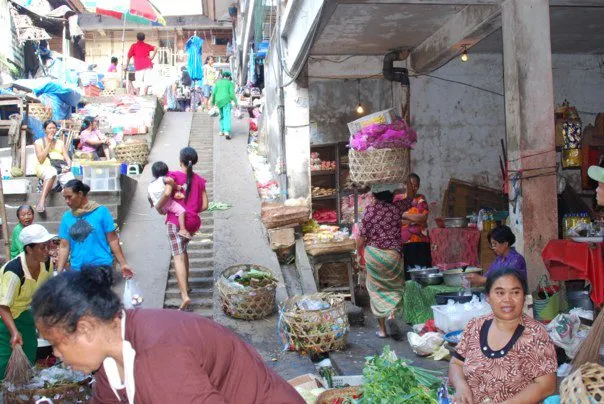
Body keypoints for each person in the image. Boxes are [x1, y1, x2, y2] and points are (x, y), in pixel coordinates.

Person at [31, 266, 305, 403]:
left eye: (56, 343)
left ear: (86, 329)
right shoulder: (110, 363)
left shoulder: (159, 357)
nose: (55, 354)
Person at [449, 268, 557, 403]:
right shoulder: (475, 326)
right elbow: (456, 363)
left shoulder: (535, 334)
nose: (507, 299)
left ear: (524, 297)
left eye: (515, 292)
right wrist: (461, 386)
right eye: (500, 293)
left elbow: (546, 385)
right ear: (488, 297)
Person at [356, 183, 412, 340]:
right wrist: (408, 181)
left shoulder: (370, 211)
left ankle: (382, 330)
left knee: (376, 290)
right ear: (391, 195)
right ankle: (392, 315)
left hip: (374, 255)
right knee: (395, 287)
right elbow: (411, 198)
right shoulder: (397, 209)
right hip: (393, 255)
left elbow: (361, 236)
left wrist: (358, 254)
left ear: (374, 196)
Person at [155, 148, 208, 311]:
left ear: (180, 161)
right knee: (183, 251)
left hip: (175, 222)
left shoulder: (173, 176)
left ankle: (184, 295)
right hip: (193, 222)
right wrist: (192, 209)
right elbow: (205, 205)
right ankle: (187, 285)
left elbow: (167, 192)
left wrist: (158, 206)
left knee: (177, 257)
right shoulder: (200, 180)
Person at [0, 224, 54, 377]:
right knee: (3, 360)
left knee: (30, 353)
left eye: (47, 246)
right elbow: (3, 306)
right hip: (5, 318)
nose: (47, 250)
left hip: (25, 313)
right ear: (29, 249)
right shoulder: (14, 271)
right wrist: (14, 332)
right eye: (42, 247)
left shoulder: (47, 263)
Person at [56, 180, 134, 278]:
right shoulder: (66, 217)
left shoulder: (101, 212)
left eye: (69, 197)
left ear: (80, 194)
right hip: (77, 270)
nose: (67, 201)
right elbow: (64, 246)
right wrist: (59, 272)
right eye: (65, 198)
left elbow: (113, 239)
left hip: (101, 268)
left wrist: (123, 264)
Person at [395, 173, 431, 279]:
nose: (414, 188)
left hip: (420, 242)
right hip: (403, 243)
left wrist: (404, 215)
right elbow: (395, 220)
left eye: (416, 186)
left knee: (423, 273)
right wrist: (415, 220)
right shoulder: (398, 199)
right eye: (411, 185)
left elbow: (423, 218)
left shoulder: (421, 199)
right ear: (405, 185)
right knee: (406, 275)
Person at [34, 120, 74, 213]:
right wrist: (49, 143)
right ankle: (42, 201)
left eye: (54, 128)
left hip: (60, 168)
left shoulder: (60, 143)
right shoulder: (39, 142)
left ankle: (72, 204)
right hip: (45, 167)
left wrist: (68, 166)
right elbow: (41, 159)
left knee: (71, 179)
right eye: (49, 128)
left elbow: (67, 158)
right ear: (45, 130)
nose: (52, 130)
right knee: (51, 172)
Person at [148, 161, 192, 239]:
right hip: (167, 203)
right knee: (181, 211)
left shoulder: (150, 184)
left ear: (153, 174)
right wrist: (177, 186)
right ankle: (182, 229)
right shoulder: (162, 178)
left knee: (170, 210)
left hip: (159, 206)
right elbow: (169, 180)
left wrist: (152, 204)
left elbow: (149, 197)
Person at [211, 71, 238, 139]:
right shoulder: (230, 83)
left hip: (219, 101)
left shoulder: (217, 83)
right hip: (226, 101)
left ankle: (221, 130)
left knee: (222, 116)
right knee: (226, 116)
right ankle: (226, 131)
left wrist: (213, 102)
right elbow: (232, 94)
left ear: (223, 76)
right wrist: (236, 102)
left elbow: (213, 93)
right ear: (229, 77)